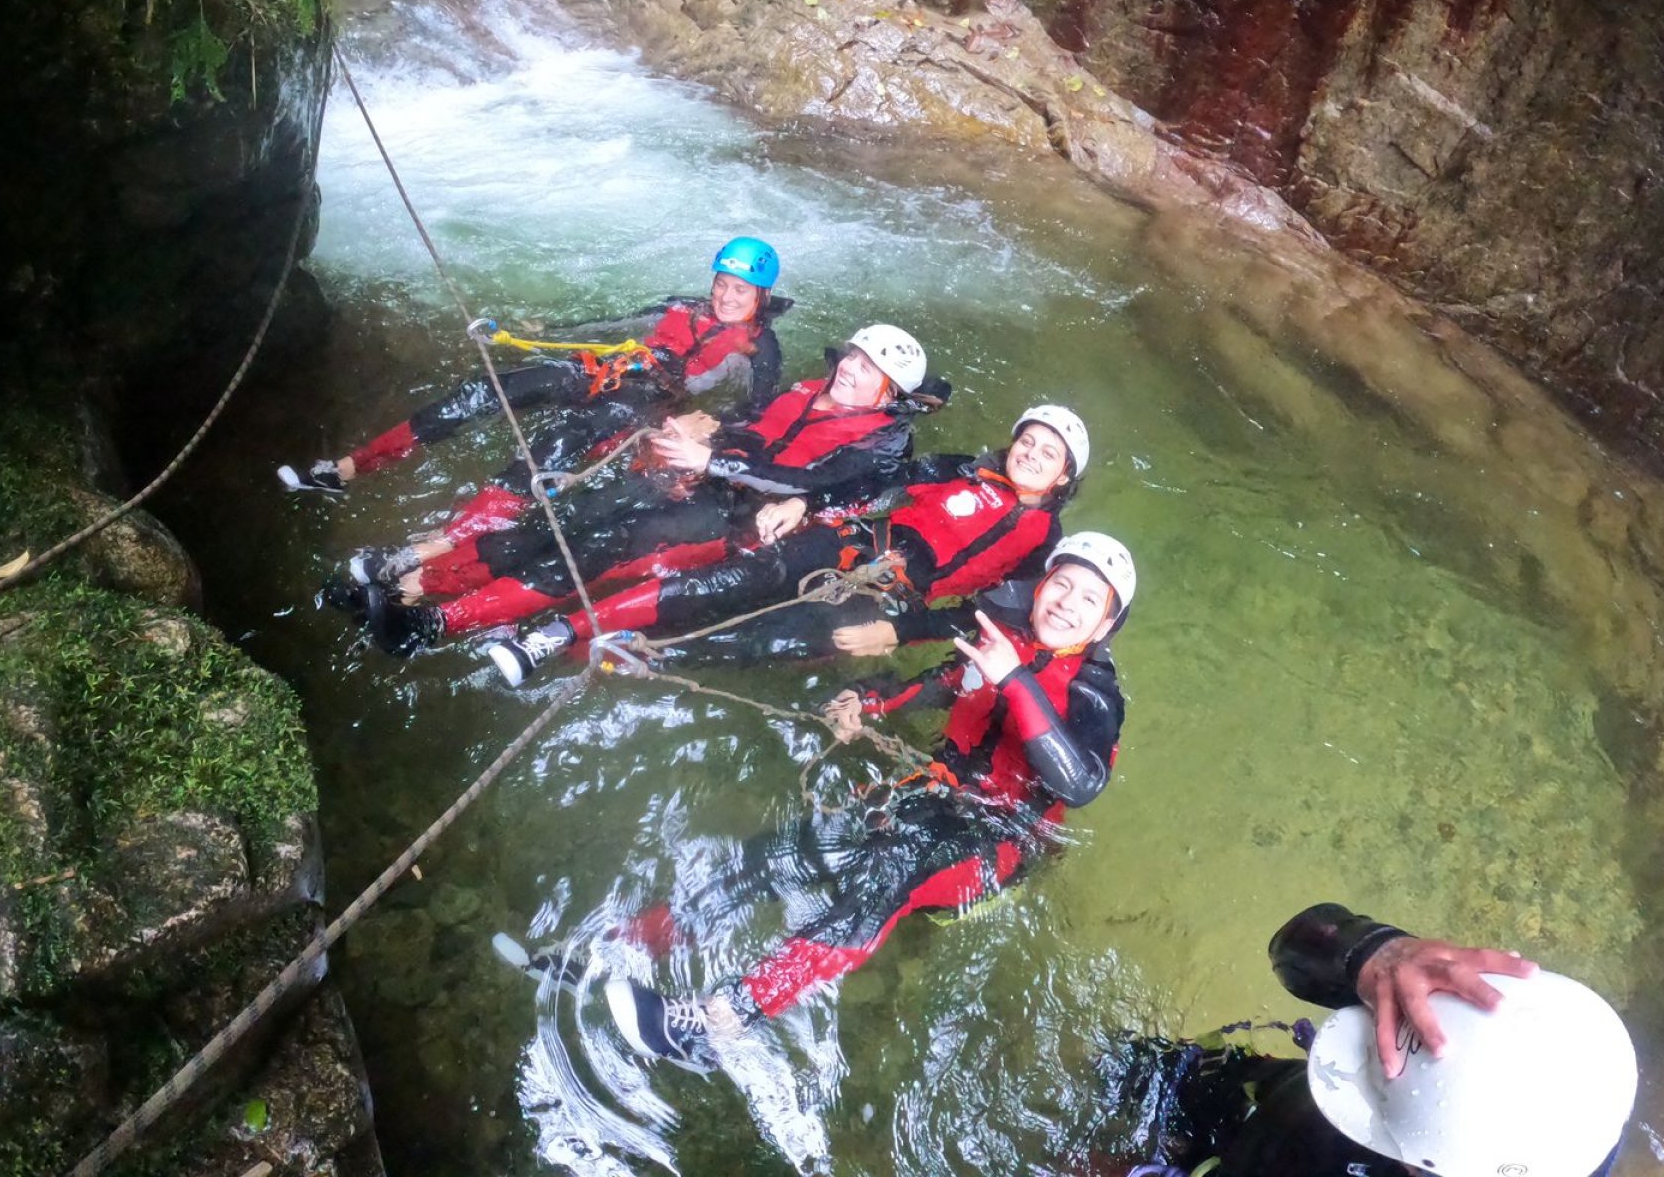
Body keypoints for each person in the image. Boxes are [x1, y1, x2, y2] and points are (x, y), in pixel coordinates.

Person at [599, 533, 1137, 1069]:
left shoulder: (1094, 694)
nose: (1067, 602)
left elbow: (1080, 784)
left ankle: (716, 1026)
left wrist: (1016, 680)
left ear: (1106, 626)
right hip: (934, 796)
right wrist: (873, 703)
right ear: (1042, 585)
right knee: (787, 852)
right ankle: (631, 943)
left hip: (999, 839)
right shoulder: (1005, 639)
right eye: (1061, 584)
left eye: (1090, 599)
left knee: (884, 873)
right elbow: (951, 681)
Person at [358, 324, 942, 656]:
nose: (851, 368)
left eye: (869, 369)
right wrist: (708, 427)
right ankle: (410, 586)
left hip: (730, 522)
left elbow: (809, 482)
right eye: (855, 356)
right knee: (559, 523)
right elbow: (756, 423)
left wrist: (713, 460)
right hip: (698, 478)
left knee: (594, 551)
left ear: (889, 395)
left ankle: (433, 628)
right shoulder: (811, 389)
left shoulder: (886, 442)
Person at [475, 403, 1090, 685]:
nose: (1030, 454)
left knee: (763, 642)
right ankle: (557, 634)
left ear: (1063, 476)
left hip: (891, 603)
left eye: (1047, 453)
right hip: (846, 547)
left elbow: (999, 617)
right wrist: (807, 503)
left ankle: (612, 661)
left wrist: (903, 635)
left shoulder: (1047, 549)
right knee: (717, 585)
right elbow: (876, 483)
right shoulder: (956, 468)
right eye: (1027, 440)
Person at [1086, 903, 1637, 1177]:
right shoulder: (1579, 1112)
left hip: (1271, 1152)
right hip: (1260, 1102)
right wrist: (1376, 952)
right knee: (1109, 1069)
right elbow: (1298, 942)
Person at [276, 237, 787, 504]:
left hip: (648, 399)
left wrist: (709, 432)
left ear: (759, 296)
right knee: (488, 389)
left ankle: (438, 546)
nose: (725, 296)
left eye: (739, 290)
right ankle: (345, 470)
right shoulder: (681, 306)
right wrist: (553, 326)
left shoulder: (759, 350)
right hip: (604, 369)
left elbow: (756, 409)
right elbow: (614, 323)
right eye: (722, 283)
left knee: (558, 445)